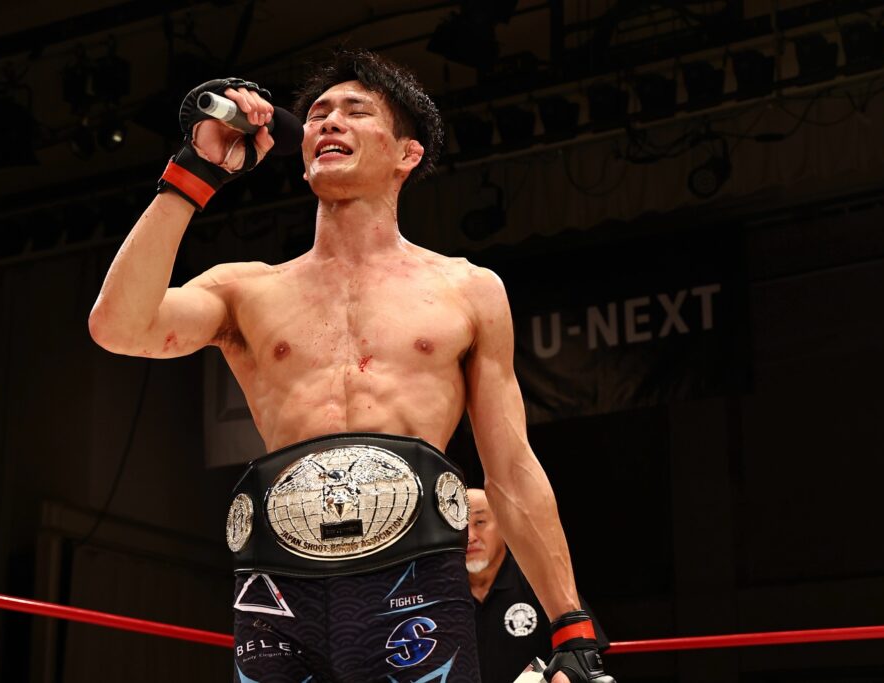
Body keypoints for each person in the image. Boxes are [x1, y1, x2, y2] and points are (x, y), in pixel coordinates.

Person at [89, 49, 614, 683]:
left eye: (356, 111)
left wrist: (571, 622)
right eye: (317, 114)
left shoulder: (467, 290)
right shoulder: (245, 289)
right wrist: (195, 171)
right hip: (278, 586)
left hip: (415, 580)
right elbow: (119, 328)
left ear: (407, 154)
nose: (329, 122)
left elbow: (510, 467)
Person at [466, 489, 609, 683]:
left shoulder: (540, 580)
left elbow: (584, 651)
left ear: (503, 525)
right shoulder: (441, 592)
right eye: (460, 527)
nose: (470, 536)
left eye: (480, 522)